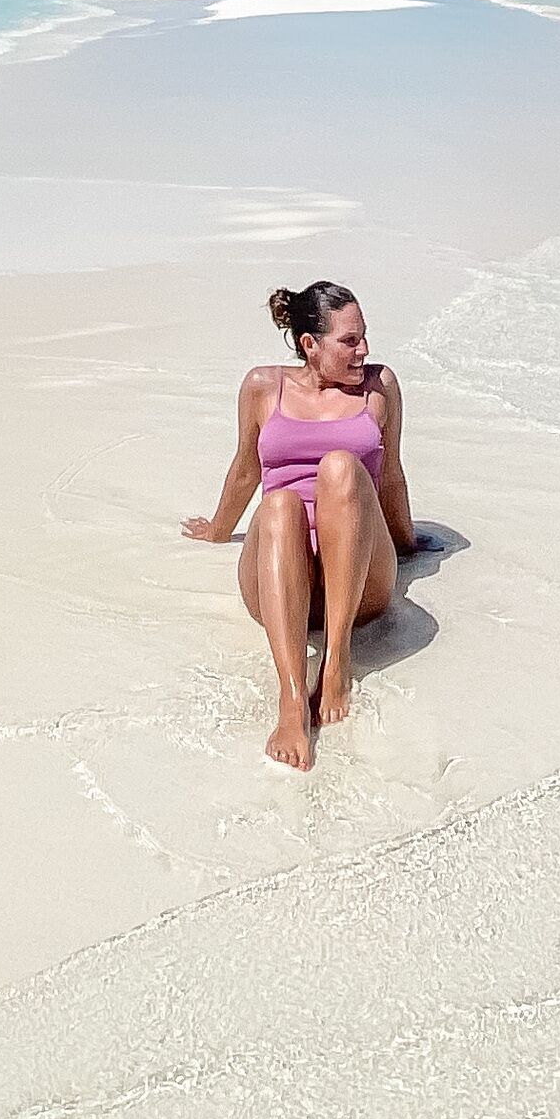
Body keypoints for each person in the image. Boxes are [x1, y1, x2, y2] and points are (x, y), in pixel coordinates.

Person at [182, 278, 417, 768]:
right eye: (349, 341)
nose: (363, 351)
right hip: (281, 575)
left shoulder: (380, 387)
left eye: (365, 338)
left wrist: (406, 542)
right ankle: (291, 696)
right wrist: (220, 529)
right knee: (279, 505)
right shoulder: (264, 386)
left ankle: (336, 659)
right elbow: (247, 466)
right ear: (310, 344)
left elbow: (390, 474)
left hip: (358, 584)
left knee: (339, 467)